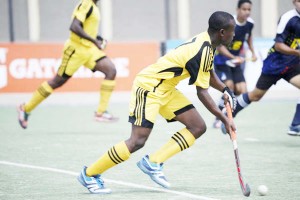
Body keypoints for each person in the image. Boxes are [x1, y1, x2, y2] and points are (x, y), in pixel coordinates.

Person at [77, 11, 237, 194]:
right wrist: (224, 119)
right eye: (232, 32)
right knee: (137, 140)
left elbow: (208, 73)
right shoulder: (202, 49)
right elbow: (202, 92)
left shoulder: (207, 43)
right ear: (222, 32)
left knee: (197, 126)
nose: (234, 35)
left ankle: (153, 162)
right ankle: (89, 174)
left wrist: (226, 89)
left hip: (166, 88)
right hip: (149, 87)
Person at [17, 0, 118, 129]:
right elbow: (74, 26)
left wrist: (97, 38)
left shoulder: (93, 6)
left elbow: (85, 28)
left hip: (88, 50)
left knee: (111, 71)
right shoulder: (86, 4)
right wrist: (94, 41)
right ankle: (25, 108)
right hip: (75, 51)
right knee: (56, 82)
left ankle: (101, 112)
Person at [222, 0, 300, 136]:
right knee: (256, 95)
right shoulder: (289, 18)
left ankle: (295, 124)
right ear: (294, 2)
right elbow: (278, 46)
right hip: (275, 64)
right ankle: (228, 113)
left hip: (293, 64)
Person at [213, 0, 257, 128]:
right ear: (237, 10)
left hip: (236, 62)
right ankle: (218, 117)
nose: (247, 12)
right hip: (222, 61)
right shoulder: (229, 23)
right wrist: (234, 57)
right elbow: (220, 47)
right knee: (229, 87)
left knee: (242, 90)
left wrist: (253, 53)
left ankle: (227, 112)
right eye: (244, 9)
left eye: (249, 10)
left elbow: (248, 37)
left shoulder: (250, 24)